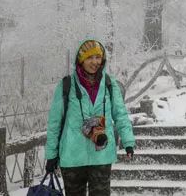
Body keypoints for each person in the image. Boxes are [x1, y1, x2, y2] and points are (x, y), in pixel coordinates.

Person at [44, 39, 136, 196]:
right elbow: (55, 123)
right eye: (89, 57)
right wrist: (51, 155)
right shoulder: (66, 85)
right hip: (72, 156)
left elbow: (120, 115)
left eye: (98, 57)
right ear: (81, 60)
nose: (95, 62)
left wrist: (128, 142)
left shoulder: (109, 84)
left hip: (101, 155)